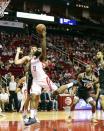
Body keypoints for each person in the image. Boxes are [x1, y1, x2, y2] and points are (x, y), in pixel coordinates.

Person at [15, 24, 77, 126]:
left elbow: (43, 50)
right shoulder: (29, 59)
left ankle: (72, 84)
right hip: (34, 80)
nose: (35, 50)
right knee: (33, 96)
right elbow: (23, 66)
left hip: (43, 78)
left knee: (56, 92)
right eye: (33, 49)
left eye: (36, 49)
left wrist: (43, 37)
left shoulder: (40, 58)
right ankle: (33, 117)